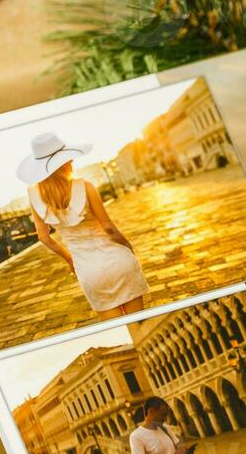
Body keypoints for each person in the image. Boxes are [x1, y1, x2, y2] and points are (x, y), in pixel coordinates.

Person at [16, 132, 148, 319]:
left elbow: (44, 238)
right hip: (117, 260)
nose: (72, 162)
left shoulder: (34, 195)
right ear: (64, 162)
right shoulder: (85, 186)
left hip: (88, 270)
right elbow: (109, 228)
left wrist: (70, 260)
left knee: (121, 330)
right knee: (141, 324)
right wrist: (127, 247)